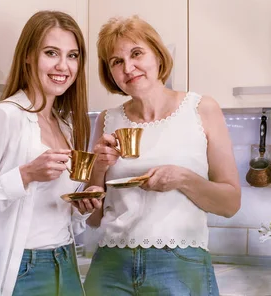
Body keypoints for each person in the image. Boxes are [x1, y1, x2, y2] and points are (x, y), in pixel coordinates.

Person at [0, 11, 103, 296]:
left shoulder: (67, 126)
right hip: (22, 270)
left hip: (65, 264)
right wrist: (26, 175)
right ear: (28, 56)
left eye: (72, 55)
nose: (63, 66)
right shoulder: (3, 117)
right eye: (51, 53)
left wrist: (81, 207)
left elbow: (57, 216)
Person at [83, 15, 241, 296]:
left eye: (136, 53)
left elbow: (230, 203)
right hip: (110, 263)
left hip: (180, 263)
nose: (128, 67)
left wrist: (182, 179)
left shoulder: (201, 109)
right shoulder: (107, 120)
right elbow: (93, 219)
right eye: (116, 61)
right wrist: (98, 168)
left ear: (157, 54)